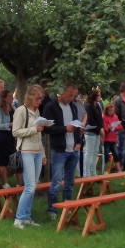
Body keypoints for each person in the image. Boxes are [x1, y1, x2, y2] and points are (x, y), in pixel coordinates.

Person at [42, 82, 82, 218]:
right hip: (59, 150)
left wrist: (79, 142)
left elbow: (77, 125)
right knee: (56, 181)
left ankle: (68, 207)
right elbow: (47, 128)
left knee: (70, 182)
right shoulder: (51, 107)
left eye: (74, 95)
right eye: (70, 95)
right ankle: (52, 210)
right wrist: (64, 129)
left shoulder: (73, 106)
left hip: (73, 149)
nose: (72, 98)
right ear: (62, 92)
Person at [12, 85, 47, 229]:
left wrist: (43, 153)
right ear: (31, 97)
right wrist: (34, 129)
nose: (40, 101)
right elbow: (15, 132)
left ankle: (26, 216)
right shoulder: (21, 110)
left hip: (37, 151)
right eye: (38, 98)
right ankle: (19, 219)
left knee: (33, 185)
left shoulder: (37, 111)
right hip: (26, 151)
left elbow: (39, 135)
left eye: (41, 98)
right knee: (30, 187)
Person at [0, 89, 19, 189]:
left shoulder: (13, 108)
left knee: (15, 159)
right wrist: (10, 124)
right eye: (9, 96)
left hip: (12, 136)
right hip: (2, 137)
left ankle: (18, 181)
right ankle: (5, 183)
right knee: (3, 161)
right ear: (4, 98)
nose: (12, 98)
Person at [83, 88, 104, 177]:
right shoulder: (88, 106)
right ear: (94, 96)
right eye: (98, 95)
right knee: (89, 152)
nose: (100, 97)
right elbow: (90, 119)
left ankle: (93, 171)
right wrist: (99, 129)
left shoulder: (98, 105)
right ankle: (86, 173)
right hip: (90, 132)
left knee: (95, 152)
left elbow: (100, 118)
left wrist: (101, 127)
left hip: (97, 132)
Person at [102, 102, 122, 173]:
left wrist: (114, 127)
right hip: (106, 139)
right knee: (106, 154)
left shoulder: (115, 116)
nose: (111, 112)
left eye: (112, 111)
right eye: (110, 110)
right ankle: (103, 168)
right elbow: (104, 128)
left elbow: (119, 126)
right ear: (106, 110)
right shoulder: (104, 117)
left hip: (113, 138)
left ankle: (119, 169)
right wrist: (108, 128)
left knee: (116, 153)